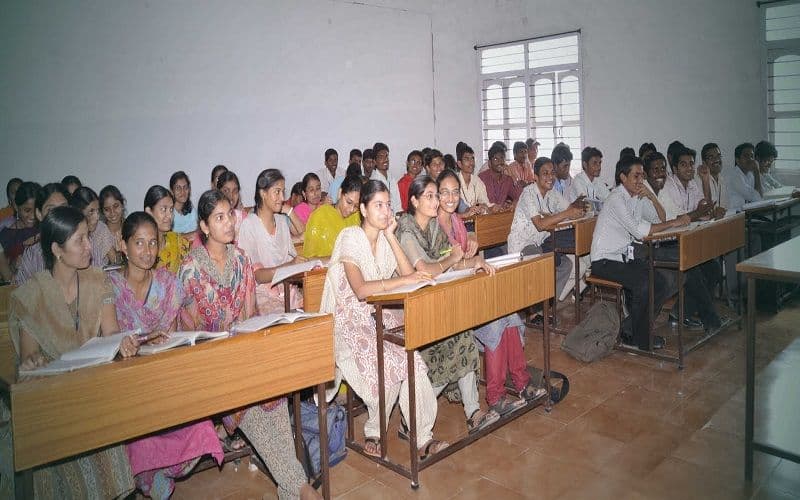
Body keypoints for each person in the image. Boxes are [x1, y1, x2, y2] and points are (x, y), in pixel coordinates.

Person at [179, 190, 319, 500]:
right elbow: (188, 333)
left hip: (245, 354)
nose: (229, 222)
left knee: (275, 394)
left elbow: (250, 315)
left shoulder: (241, 259)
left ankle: (295, 489)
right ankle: (302, 489)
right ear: (204, 226)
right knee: (253, 410)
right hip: (212, 363)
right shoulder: (190, 268)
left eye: (230, 215)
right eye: (219, 218)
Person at [8, 205, 140, 498]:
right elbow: (29, 358)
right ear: (57, 249)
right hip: (51, 394)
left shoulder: (97, 280)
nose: (89, 246)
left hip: (90, 385)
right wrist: (33, 361)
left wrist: (122, 343)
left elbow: (111, 333)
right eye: (79, 240)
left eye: (88, 237)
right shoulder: (31, 294)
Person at [319, 180, 448, 459]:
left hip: (378, 319)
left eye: (388, 205)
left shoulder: (384, 238)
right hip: (349, 325)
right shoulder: (351, 237)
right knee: (387, 370)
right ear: (363, 209)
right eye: (378, 205)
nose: (386, 211)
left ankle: (423, 436)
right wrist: (404, 280)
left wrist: (391, 236)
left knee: (412, 362)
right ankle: (375, 430)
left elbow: (408, 276)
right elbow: (361, 290)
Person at [110, 211, 223, 499]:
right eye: (139, 243)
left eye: (153, 243)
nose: (148, 251)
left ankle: (164, 470)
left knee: (199, 423)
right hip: (126, 381)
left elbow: (172, 336)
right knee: (136, 431)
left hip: (162, 374)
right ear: (123, 246)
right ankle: (148, 476)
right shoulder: (111, 288)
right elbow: (106, 341)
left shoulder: (168, 283)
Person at [397, 175, 504, 425]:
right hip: (410, 306)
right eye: (430, 196)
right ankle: (412, 416)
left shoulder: (434, 226)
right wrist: (453, 259)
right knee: (456, 344)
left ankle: (473, 412)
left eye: (437, 196)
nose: (436, 201)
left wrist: (475, 262)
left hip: (436, 300)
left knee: (462, 334)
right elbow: (425, 270)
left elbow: (452, 263)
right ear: (414, 201)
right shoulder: (406, 230)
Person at [437, 170, 545, 414]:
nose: (451, 198)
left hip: (468, 286)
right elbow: (448, 266)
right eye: (445, 192)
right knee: (495, 321)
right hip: (450, 296)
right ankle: (496, 395)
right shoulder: (434, 225)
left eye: (455, 192)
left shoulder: (456, 220)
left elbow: (466, 246)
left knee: (509, 313)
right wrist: (473, 260)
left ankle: (521, 381)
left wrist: (472, 236)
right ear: (435, 195)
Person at [590, 156, 690, 351]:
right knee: (644, 283)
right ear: (623, 177)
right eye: (636, 176)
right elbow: (639, 232)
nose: (640, 180)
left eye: (642, 176)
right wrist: (675, 222)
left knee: (661, 281)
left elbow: (658, 219)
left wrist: (651, 196)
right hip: (604, 261)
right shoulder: (616, 199)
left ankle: (632, 329)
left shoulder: (635, 197)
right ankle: (640, 338)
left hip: (623, 257)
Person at [507, 157, 583, 301]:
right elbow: (540, 225)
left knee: (566, 265)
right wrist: (567, 213)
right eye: (545, 173)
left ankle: (548, 303)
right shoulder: (528, 193)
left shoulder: (552, 193)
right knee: (541, 261)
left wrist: (577, 211)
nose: (550, 177)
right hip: (523, 245)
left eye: (552, 173)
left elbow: (569, 208)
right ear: (535, 177)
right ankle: (535, 305)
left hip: (542, 243)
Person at [238, 169, 306, 314]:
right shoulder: (249, 225)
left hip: (287, 290)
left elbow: (299, 243)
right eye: (277, 192)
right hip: (262, 295)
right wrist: (290, 266)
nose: (282, 197)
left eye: (283, 192)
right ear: (263, 193)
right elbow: (257, 276)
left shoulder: (281, 222)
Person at [13, 183, 70, 285]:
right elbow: (22, 292)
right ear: (39, 214)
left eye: (63, 208)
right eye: (51, 210)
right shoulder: (32, 255)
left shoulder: (85, 245)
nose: (58, 215)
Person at [303, 175, 361, 258]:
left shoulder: (356, 217)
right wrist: (335, 260)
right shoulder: (320, 216)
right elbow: (309, 258)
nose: (351, 209)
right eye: (349, 202)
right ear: (340, 193)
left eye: (356, 206)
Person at [144, 185, 189, 274]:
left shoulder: (178, 242)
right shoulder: (142, 248)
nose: (169, 215)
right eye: (163, 209)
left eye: (171, 209)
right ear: (149, 212)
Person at [0, 181, 40, 280]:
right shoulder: (6, 235)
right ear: (16, 207)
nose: (32, 216)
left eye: (36, 210)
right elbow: (6, 276)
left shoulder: (44, 227)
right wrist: (14, 266)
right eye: (27, 210)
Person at [69, 186, 117, 268]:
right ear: (78, 212)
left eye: (97, 211)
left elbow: (115, 261)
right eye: (91, 212)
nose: (97, 217)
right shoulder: (69, 235)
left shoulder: (101, 228)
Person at [479, 142, 520, 208]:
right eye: (496, 159)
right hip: (486, 213)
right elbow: (477, 202)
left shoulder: (508, 180)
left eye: (502, 158)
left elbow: (519, 195)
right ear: (489, 163)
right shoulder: (482, 178)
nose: (500, 162)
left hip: (502, 214)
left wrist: (513, 204)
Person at [456, 143, 493, 216]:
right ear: (459, 164)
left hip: (475, 219)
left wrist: (482, 206)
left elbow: (485, 202)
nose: (471, 163)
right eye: (467, 159)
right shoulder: (454, 180)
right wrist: (469, 210)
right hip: (459, 219)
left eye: (472, 158)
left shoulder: (477, 181)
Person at [725, 143, 763, 212]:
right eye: (746, 156)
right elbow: (757, 199)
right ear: (737, 160)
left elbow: (759, 197)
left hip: (746, 212)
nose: (750, 159)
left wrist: (756, 173)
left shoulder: (750, 174)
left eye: (752, 156)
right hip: (734, 213)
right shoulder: (734, 176)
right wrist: (756, 171)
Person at [694, 143, 729, 210]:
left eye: (718, 156)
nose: (717, 160)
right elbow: (703, 209)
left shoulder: (722, 179)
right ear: (704, 163)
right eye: (711, 157)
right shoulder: (699, 180)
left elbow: (725, 206)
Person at [216, 170, 248, 241]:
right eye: (226, 191)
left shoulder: (244, 218)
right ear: (218, 192)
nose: (230, 196)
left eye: (235, 191)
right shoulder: (213, 219)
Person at [370, 142, 402, 212]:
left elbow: (398, 204)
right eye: (381, 157)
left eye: (386, 156)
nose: (385, 159)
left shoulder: (392, 178)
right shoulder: (373, 181)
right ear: (375, 161)